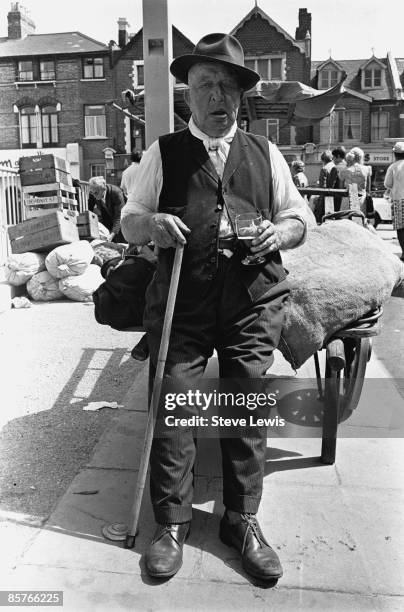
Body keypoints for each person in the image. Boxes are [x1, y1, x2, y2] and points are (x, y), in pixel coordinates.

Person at [121, 32, 312, 582]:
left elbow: (299, 218)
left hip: (251, 299)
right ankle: (172, 524)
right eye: (207, 85)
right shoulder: (163, 152)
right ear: (188, 94)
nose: (218, 96)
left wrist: (280, 233)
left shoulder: (266, 152)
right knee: (176, 401)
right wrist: (153, 225)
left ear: (241, 95)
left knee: (246, 401)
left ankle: (241, 519)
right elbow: (130, 218)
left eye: (228, 86)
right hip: (183, 299)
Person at [88, 176, 126, 242]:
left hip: (123, 222)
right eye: (92, 192)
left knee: (120, 241)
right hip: (107, 219)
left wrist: (112, 234)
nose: (94, 195)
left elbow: (119, 216)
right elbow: (89, 210)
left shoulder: (116, 193)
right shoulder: (93, 192)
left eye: (96, 193)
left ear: (103, 189)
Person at [384, 142, 404, 260]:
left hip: (398, 200)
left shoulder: (393, 167)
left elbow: (387, 183)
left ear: (395, 154)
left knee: (401, 228)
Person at [338, 147, 372, 212]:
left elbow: (341, 188)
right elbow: (368, 189)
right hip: (361, 200)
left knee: (345, 220)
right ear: (361, 158)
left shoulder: (344, 171)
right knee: (360, 219)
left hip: (347, 199)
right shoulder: (367, 169)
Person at [329, 146, 346, 212]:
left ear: (338, 156)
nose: (333, 160)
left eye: (333, 157)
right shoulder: (348, 167)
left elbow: (330, 185)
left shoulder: (335, 168)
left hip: (337, 199)